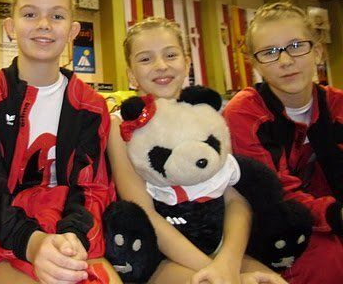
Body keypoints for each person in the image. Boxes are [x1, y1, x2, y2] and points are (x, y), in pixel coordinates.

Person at [0, 0, 120, 284]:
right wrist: (31, 242)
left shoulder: (91, 106)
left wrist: (73, 237)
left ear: (73, 31)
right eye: (30, 14)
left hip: (70, 232)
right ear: (10, 27)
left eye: (57, 16)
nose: (44, 24)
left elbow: (92, 187)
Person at [107, 17, 287, 284]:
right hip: (161, 255)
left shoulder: (206, 116)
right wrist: (217, 272)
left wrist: (228, 262)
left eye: (170, 55)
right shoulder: (121, 126)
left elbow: (234, 197)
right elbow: (143, 211)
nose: (161, 65)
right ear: (131, 75)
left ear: (187, 63)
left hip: (218, 246)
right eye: (146, 59)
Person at [223, 2, 343, 284]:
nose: (285, 60)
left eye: (296, 46)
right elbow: (273, 191)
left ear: (317, 51)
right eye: (269, 52)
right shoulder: (244, 113)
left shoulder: (337, 104)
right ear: (255, 64)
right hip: (276, 225)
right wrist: (334, 214)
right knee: (328, 260)